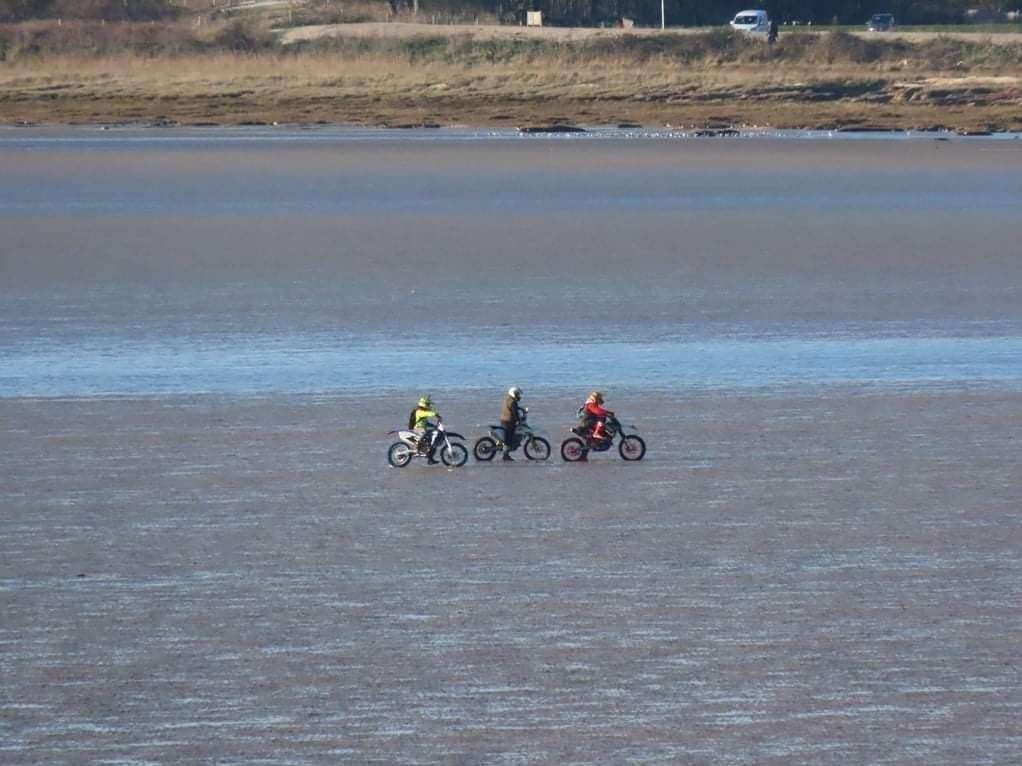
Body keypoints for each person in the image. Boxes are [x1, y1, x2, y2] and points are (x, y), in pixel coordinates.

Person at [409, 394, 441, 464]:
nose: (429, 406)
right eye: (428, 404)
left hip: (423, 428)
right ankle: (417, 449)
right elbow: (428, 414)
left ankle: (430, 459)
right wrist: (436, 414)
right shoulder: (419, 411)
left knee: (432, 441)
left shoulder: (423, 412)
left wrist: (433, 425)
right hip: (418, 429)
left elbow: (425, 423)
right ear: (424, 404)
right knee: (425, 436)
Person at [499, 386, 525, 461]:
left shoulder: (508, 399)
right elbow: (515, 413)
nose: (519, 396)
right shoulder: (512, 402)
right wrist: (519, 420)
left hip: (504, 420)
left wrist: (520, 409)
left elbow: (513, 409)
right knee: (509, 439)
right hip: (508, 422)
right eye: (517, 394)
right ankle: (505, 455)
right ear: (513, 394)